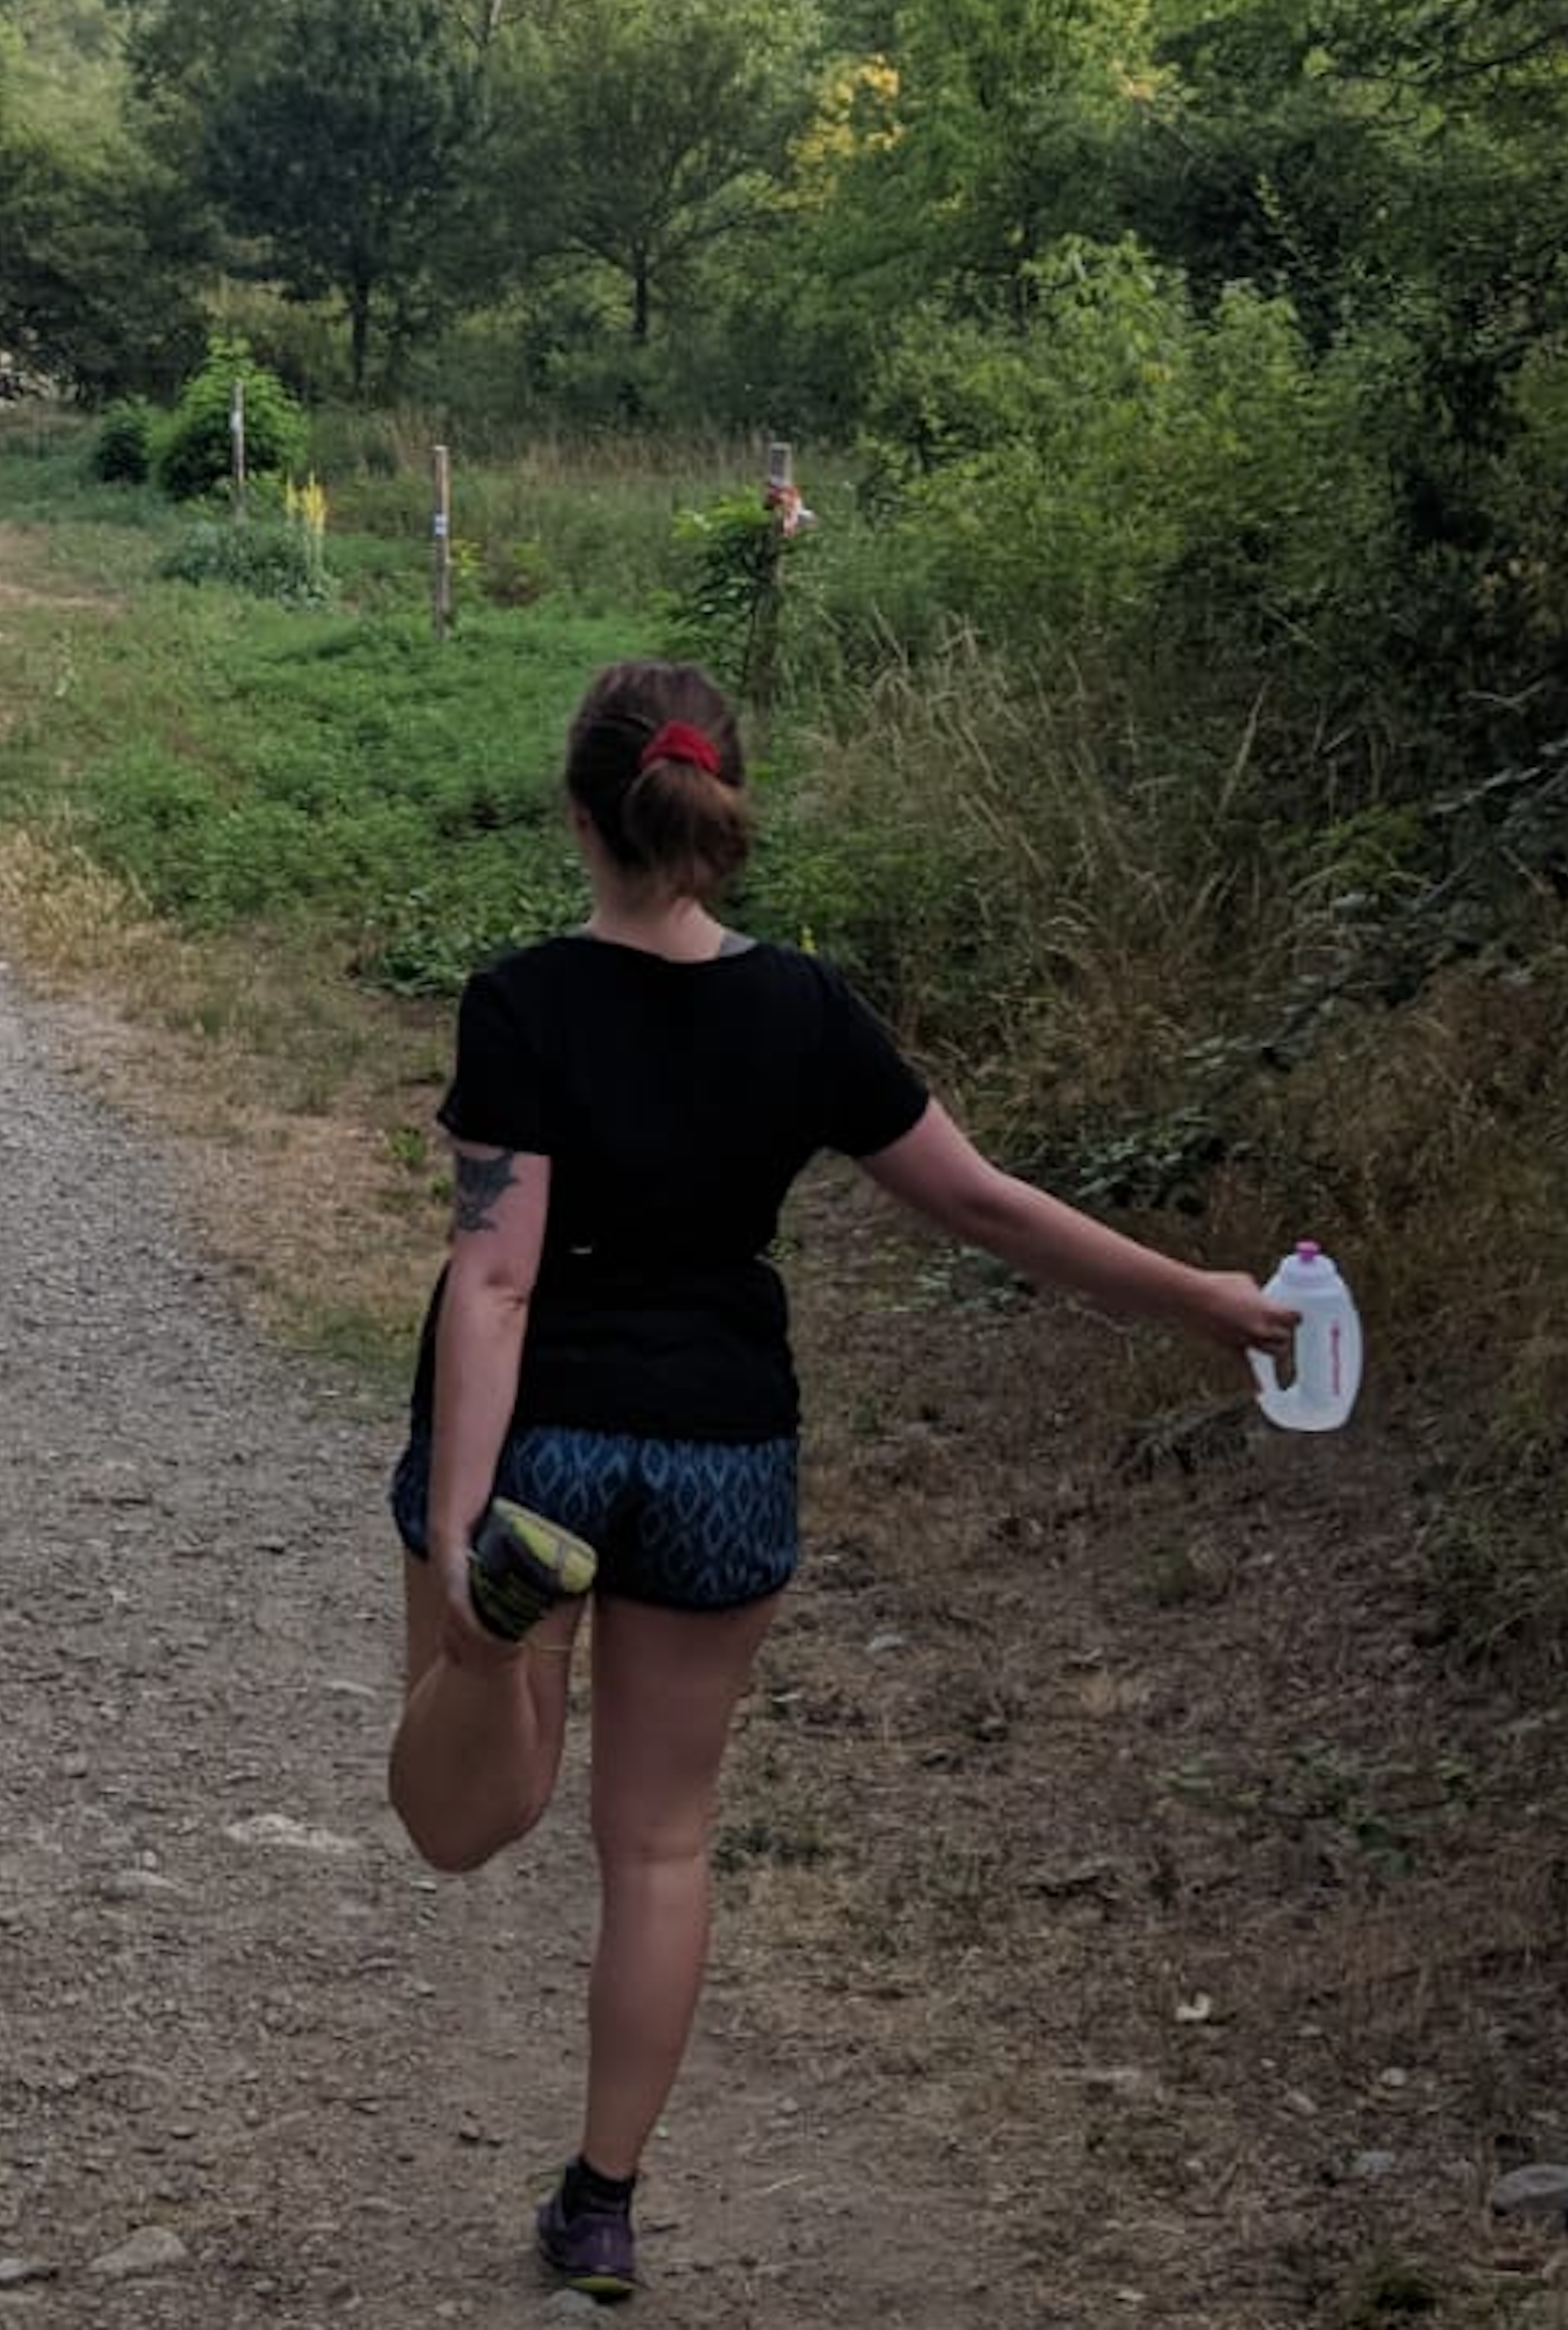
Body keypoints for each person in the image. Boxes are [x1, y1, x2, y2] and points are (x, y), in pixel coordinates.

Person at [384, 660, 1296, 2300]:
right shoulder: (803, 1007)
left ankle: (494, 1630)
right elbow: (992, 1208)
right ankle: (601, 2202)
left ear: (579, 817)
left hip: (546, 1442)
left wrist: (459, 1522)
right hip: (726, 1447)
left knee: (466, 1813)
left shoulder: (522, 1002)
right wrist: (1209, 1302)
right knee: (658, 1846)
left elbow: (499, 1279)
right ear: (720, 814)